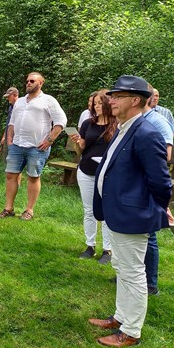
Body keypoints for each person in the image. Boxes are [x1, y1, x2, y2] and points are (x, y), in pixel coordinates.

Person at [89, 75, 172, 348]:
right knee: (122, 268)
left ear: (135, 100)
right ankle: (120, 317)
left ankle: (131, 332)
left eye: (117, 96)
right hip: (117, 211)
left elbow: (161, 182)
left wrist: (150, 210)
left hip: (132, 215)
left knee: (134, 272)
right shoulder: (126, 127)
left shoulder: (147, 132)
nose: (110, 100)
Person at [0, 72, 67, 220]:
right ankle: (8, 208)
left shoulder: (48, 100)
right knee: (10, 175)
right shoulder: (20, 101)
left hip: (37, 147)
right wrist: (10, 139)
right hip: (17, 145)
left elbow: (61, 120)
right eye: (27, 80)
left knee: (33, 177)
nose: (28, 83)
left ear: (40, 83)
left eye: (32, 81)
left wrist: (50, 139)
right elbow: (12, 122)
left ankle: (29, 210)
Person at [69, 90, 117, 264]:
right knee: (89, 210)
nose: (96, 106)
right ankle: (90, 246)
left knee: (105, 210)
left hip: (107, 173)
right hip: (86, 170)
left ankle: (107, 249)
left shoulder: (117, 124)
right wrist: (77, 142)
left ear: (107, 103)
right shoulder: (88, 123)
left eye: (99, 103)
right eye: (94, 103)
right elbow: (81, 149)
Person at [142, 84, 174, 295]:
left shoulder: (158, 121)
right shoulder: (135, 121)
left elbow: (166, 156)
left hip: (149, 184)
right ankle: (132, 275)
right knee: (136, 233)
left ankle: (151, 283)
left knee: (149, 234)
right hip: (134, 185)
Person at [0, 86, 19, 157]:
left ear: (15, 95)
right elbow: (9, 123)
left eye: (9, 96)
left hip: (16, 139)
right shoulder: (10, 108)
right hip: (8, 137)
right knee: (6, 158)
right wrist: (4, 137)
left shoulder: (22, 106)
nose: (7, 98)